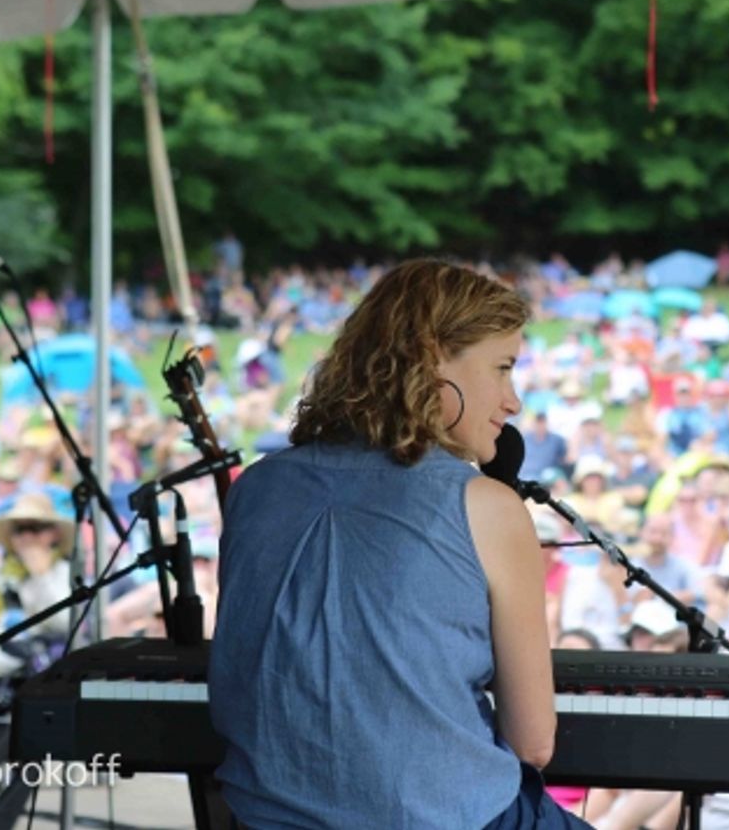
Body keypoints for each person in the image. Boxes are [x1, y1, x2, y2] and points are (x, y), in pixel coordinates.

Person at [209, 259, 591, 829]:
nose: (512, 401)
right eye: (503, 368)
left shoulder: (255, 488)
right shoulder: (486, 505)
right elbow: (533, 743)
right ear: (432, 358)